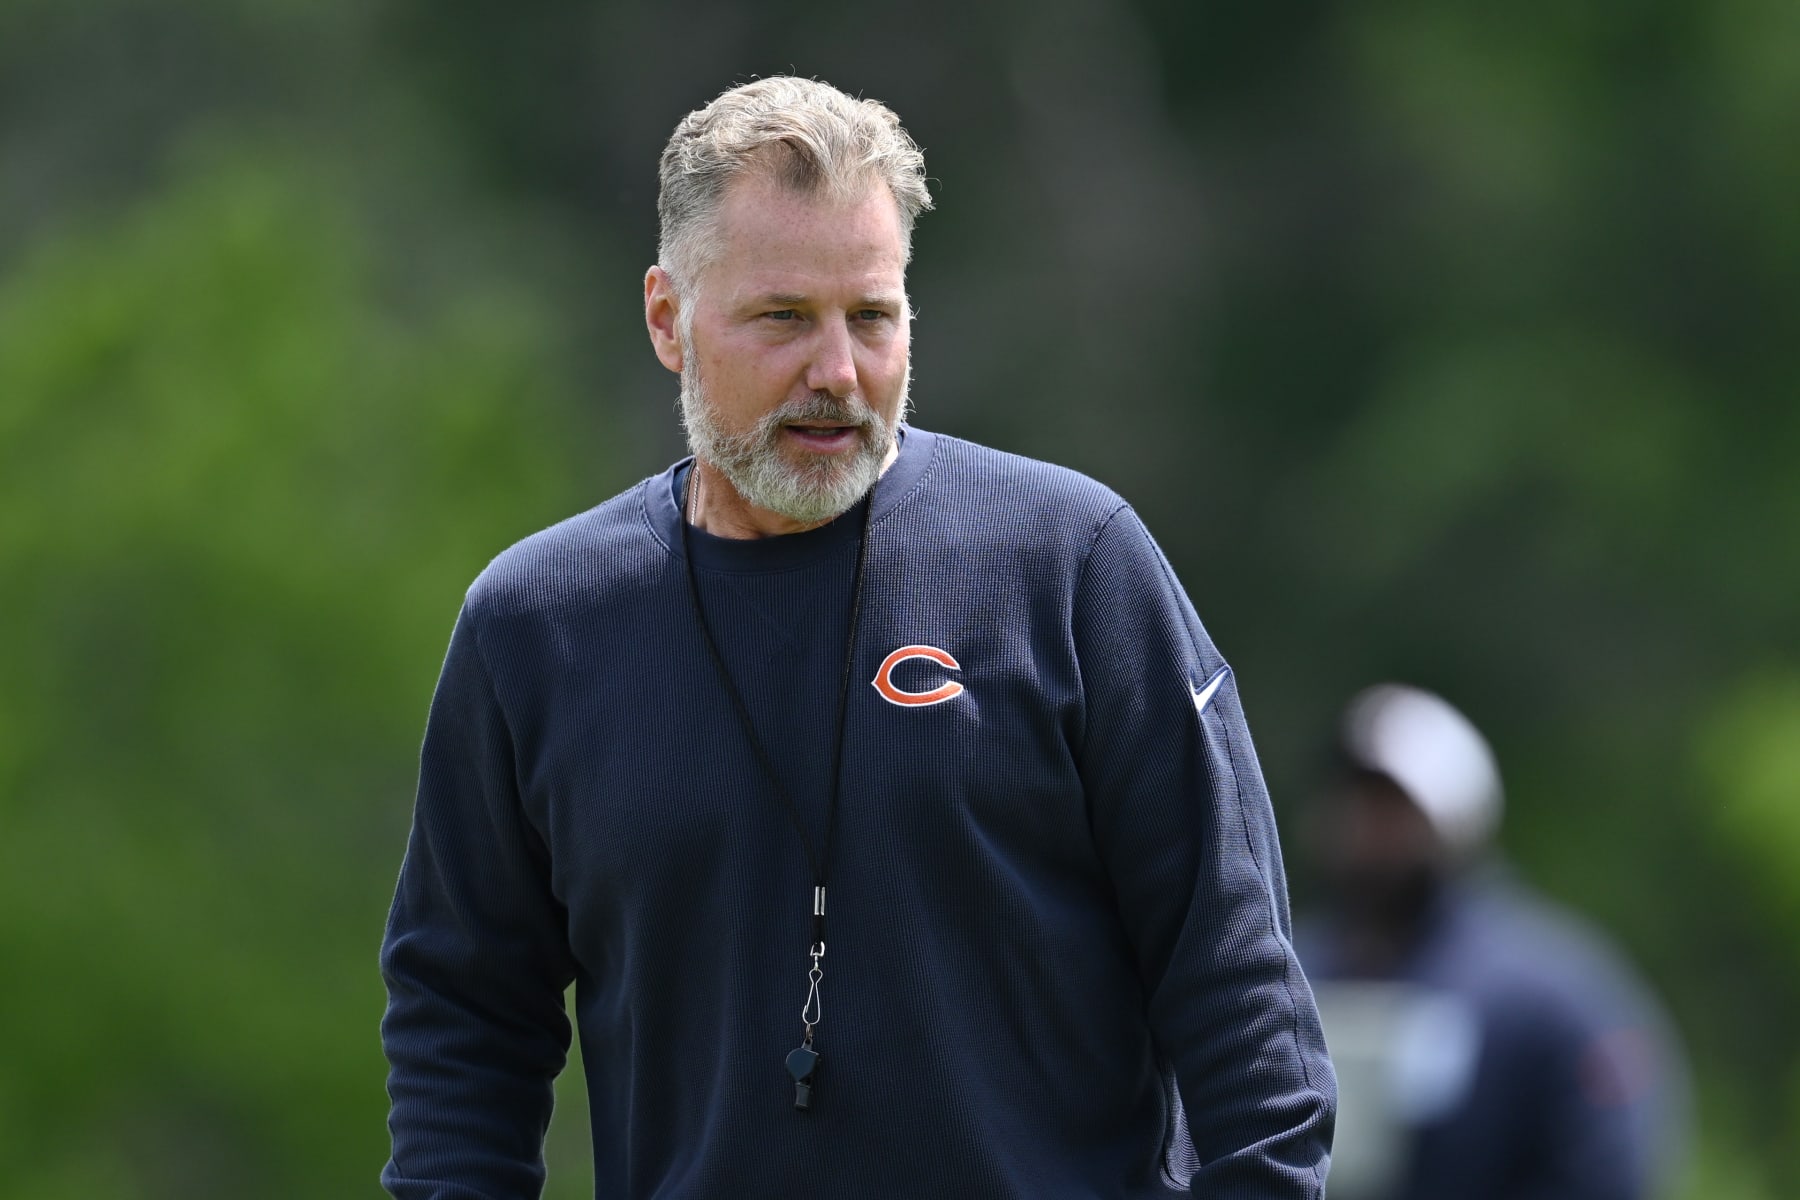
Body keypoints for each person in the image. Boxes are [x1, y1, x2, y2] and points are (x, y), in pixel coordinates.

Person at [380, 75, 1335, 1199]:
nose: (837, 373)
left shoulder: (1073, 565)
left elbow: (1240, 995)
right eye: (785, 318)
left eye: (872, 317)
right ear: (667, 320)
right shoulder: (535, 628)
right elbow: (462, 1024)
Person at [1298, 683, 1687, 1200]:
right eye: (1354, 797)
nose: (1367, 826)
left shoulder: (1555, 992)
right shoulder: (1289, 973)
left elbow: (1607, 1172)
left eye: (1391, 805)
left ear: (1456, 820)